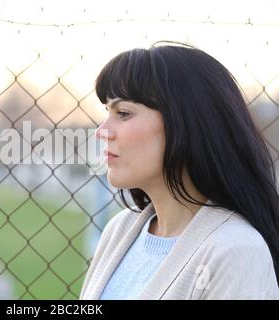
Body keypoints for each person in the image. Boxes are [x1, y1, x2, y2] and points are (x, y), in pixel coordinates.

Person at [80, 42, 279, 300]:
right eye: (108, 112)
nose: (102, 131)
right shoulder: (119, 230)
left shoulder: (236, 251)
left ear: (184, 124)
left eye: (124, 113)